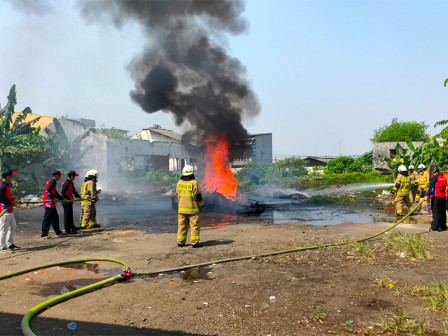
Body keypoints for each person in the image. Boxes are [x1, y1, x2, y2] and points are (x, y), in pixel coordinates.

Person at [176, 165, 204, 248]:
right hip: (192, 209)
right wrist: (201, 205)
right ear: (192, 173)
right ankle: (195, 243)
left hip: (181, 209)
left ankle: (180, 242)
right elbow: (198, 196)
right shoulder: (194, 183)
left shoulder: (179, 182)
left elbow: (178, 194)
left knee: (182, 225)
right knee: (194, 225)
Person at [0, 170, 20, 252]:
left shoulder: (7, 185)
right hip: (4, 210)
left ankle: (10, 243)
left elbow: (8, 197)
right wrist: (12, 202)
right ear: (7, 177)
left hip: (10, 210)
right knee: (4, 229)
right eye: (11, 176)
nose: (12, 177)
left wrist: (15, 200)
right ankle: (3, 246)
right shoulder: (2, 187)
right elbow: (2, 199)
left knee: (13, 226)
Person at [41, 170, 65, 239]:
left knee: (55, 217)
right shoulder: (52, 181)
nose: (60, 177)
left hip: (52, 203)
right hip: (49, 203)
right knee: (47, 219)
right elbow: (48, 191)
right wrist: (52, 198)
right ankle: (44, 234)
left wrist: (61, 198)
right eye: (60, 175)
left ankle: (58, 232)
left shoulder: (52, 181)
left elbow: (55, 192)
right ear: (57, 175)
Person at [426, 166, 447, 231]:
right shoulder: (443, 178)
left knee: (436, 212)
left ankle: (435, 226)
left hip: (436, 197)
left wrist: (427, 195)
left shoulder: (434, 178)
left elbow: (431, 188)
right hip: (443, 197)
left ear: (432, 172)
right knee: (442, 212)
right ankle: (443, 226)